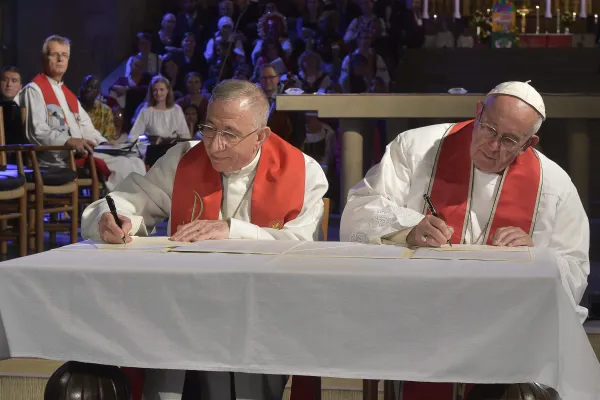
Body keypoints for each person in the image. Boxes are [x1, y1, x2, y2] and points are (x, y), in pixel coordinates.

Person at [340, 81, 589, 400]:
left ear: (529, 143)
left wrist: (535, 256)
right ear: (478, 112)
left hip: (505, 325)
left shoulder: (554, 185)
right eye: (489, 129)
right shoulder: (416, 148)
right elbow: (358, 211)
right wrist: (408, 228)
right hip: (419, 312)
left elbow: (574, 269)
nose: (493, 145)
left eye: (509, 140)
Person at [81, 79, 328, 400]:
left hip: (262, 311)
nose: (214, 145)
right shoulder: (185, 159)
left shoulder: (303, 172)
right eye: (209, 128)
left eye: (229, 134)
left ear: (261, 136)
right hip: (184, 308)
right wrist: (111, 219)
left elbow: (301, 246)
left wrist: (232, 230)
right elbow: (127, 201)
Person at [18, 35, 146, 191]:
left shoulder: (67, 95)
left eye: (64, 55)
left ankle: (134, 204)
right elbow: (37, 131)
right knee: (123, 165)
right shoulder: (34, 91)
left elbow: (86, 127)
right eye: (55, 54)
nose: (60, 59)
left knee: (135, 161)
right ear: (44, 58)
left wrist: (104, 143)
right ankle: (119, 205)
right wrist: (68, 141)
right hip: (57, 158)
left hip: (76, 153)